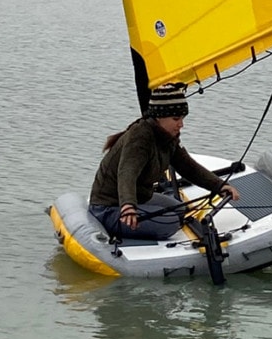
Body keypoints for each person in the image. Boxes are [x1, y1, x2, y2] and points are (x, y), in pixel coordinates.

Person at [88, 82, 240, 240]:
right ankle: (121, 223)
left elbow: (189, 168)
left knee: (180, 211)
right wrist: (128, 205)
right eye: (176, 119)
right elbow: (126, 173)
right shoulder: (140, 137)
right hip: (111, 206)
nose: (181, 124)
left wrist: (220, 186)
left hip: (141, 198)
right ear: (159, 117)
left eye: (182, 118)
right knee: (171, 222)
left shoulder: (168, 137)